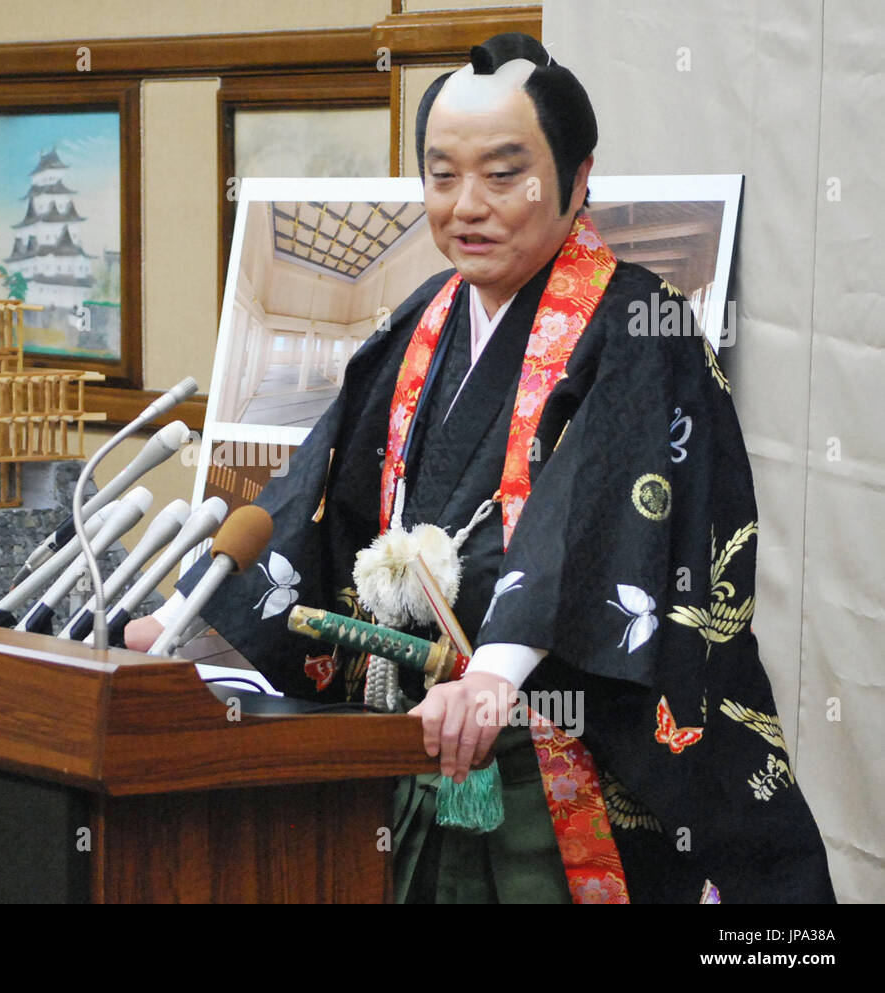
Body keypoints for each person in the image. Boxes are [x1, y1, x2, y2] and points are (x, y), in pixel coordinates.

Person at [127, 33, 834, 904]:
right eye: (442, 174)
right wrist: (196, 625)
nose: (468, 205)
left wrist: (495, 672)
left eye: (505, 174)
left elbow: (601, 505)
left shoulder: (642, 325)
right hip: (417, 736)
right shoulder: (427, 315)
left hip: (553, 738)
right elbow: (320, 486)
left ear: (579, 180)